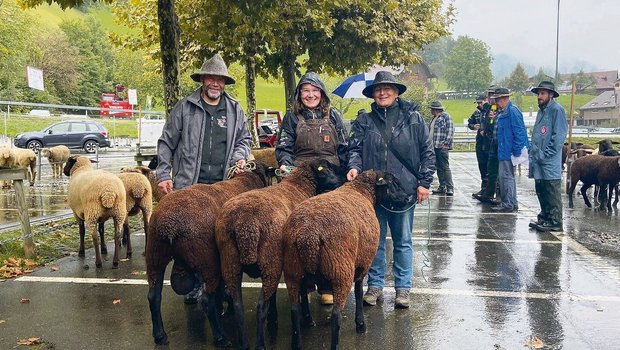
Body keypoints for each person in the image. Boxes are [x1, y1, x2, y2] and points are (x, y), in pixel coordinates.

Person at [156, 53, 252, 303]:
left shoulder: (234, 109)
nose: (215, 83)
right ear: (202, 80)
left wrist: (240, 157)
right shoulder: (185, 108)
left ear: (224, 83)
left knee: (221, 238)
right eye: (211, 78)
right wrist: (163, 174)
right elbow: (166, 142)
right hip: (191, 185)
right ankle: (196, 283)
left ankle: (222, 285)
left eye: (220, 80)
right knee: (192, 238)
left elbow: (245, 139)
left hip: (223, 187)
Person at [347, 71, 435, 309]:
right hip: (372, 191)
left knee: (403, 241)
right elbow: (353, 148)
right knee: (374, 241)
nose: (382, 93)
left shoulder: (414, 119)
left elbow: (427, 152)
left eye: (387, 88)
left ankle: (403, 289)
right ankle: (374, 285)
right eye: (378, 89)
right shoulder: (364, 121)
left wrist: (425, 182)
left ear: (396, 92)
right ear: (373, 94)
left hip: (404, 189)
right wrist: (354, 167)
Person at [275, 72, 348, 305]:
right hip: (302, 182)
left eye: (315, 90)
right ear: (300, 95)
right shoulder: (292, 118)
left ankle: (327, 285)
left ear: (322, 94)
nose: (310, 95)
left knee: (330, 234)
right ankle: (304, 283)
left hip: (332, 181)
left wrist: (349, 171)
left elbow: (345, 147)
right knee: (300, 233)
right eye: (306, 91)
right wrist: (285, 165)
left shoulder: (335, 116)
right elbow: (284, 147)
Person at [528, 81, 567, 232]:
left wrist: (546, 154)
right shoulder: (541, 111)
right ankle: (544, 217)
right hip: (538, 159)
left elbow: (558, 137)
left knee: (551, 189)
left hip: (549, 161)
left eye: (543, 93)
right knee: (541, 188)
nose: (539, 96)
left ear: (551, 95)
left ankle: (555, 221)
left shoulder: (557, 110)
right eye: (538, 93)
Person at [490, 87, 529, 212]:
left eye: (497, 99)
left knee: (506, 178)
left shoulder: (512, 111)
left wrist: (516, 151)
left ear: (503, 99)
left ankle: (508, 204)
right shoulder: (504, 112)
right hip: (504, 150)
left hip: (508, 151)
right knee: (507, 177)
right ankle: (512, 202)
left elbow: (519, 132)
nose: (496, 102)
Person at [429, 101, 455, 196]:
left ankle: (450, 187)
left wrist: (446, 143)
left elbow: (450, 130)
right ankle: (442, 186)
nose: (430, 110)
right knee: (439, 167)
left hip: (442, 146)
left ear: (435, 109)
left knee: (445, 167)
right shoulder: (434, 118)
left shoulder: (445, 116)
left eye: (431, 109)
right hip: (434, 146)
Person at [468, 94, 490, 197]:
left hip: (489, 142)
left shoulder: (491, 112)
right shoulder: (477, 113)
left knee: (489, 168)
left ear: (486, 100)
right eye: (478, 103)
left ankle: (491, 191)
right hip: (480, 142)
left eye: (481, 102)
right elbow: (470, 123)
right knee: (482, 166)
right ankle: (484, 188)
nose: (479, 104)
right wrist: (473, 126)